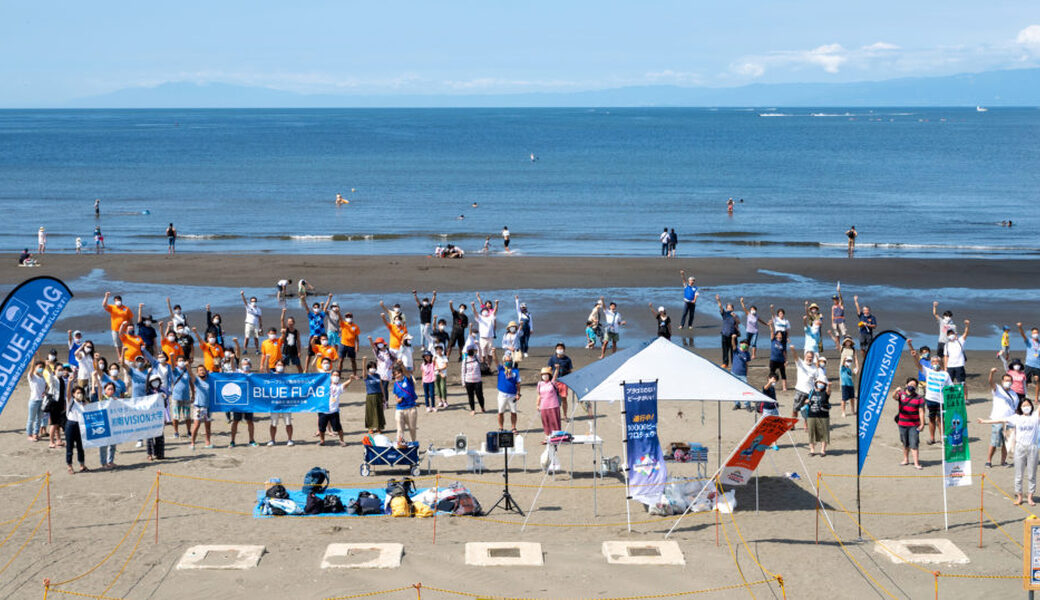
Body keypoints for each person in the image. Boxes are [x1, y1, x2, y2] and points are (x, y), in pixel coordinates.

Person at [978, 391, 1040, 505]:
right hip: (1020, 448)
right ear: (1020, 407)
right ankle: (1020, 496)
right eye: (1024, 406)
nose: (1026, 407)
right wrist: (985, 421)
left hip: (1033, 447)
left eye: (1028, 405)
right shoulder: (1016, 417)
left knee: (1032, 473)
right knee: (1019, 473)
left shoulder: (1036, 416)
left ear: (1032, 406)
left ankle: (1030, 496)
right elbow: (1001, 420)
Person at [986, 368, 1019, 468]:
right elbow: (990, 382)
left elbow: (1015, 409)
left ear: (1012, 382)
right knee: (994, 442)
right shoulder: (998, 389)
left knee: (1006, 443)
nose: (1007, 382)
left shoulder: (1015, 394)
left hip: (1010, 421)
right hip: (998, 419)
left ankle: (1003, 461)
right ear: (1002, 381)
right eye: (1006, 380)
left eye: (1009, 381)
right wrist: (991, 373)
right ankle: (988, 461)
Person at [893, 378, 926, 469]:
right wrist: (895, 391)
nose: (912, 386)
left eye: (914, 385)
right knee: (905, 443)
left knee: (914, 443)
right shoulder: (901, 394)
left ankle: (916, 463)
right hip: (902, 424)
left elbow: (921, 412)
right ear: (906, 384)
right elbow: (894, 397)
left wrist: (922, 424)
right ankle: (906, 459)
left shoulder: (919, 398)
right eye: (910, 384)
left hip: (914, 425)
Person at [794, 377, 831, 456]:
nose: (820, 384)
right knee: (811, 433)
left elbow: (828, 392)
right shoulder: (811, 391)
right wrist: (806, 401)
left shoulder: (825, 392)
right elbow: (806, 401)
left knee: (824, 433)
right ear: (816, 383)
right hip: (811, 415)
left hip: (823, 416)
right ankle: (812, 450)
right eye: (819, 382)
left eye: (822, 383)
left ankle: (823, 450)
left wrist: (829, 386)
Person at [321, 368, 353, 446]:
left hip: (334, 411)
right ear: (330, 376)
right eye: (334, 375)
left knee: (338, 428)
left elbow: (344, 385)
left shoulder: (339, 386)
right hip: (323, 410)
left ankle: (341, 440)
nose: (336, 377)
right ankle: (322, 440)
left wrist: (350, 380)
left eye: (337, 375)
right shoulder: (324, 385)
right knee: (321, 428)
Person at [492, 350, 521, 432]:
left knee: (513, 412)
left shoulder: (515, 371)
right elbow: (495, 360)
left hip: (512, 395)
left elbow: (518, 383)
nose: (508, 362)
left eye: (509, 361)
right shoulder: (501, 369)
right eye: (506, 361)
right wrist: (494, 352)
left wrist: (518, 393)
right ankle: (501, 427)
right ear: (504, 361)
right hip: (502, 394)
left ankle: (513, 427)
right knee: (501, 412)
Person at [391, 364, 419, 447]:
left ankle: (413, 445)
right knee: (400, 429)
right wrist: (397, 400)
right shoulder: (396, 384)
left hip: (410, 408)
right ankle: (400, 445)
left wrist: (402, 364)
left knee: (412, 429)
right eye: (395, 374)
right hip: (399, 409)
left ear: (402, 373)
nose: (397, 375)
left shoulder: (407, 379)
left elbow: (407, 373)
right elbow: (395, 395)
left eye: (399, 373)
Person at [189, 365, 214, 449]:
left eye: (203, 370)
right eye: (200, 370)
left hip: (208, 407)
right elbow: (191, 374)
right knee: (196, 425)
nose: (202, 371)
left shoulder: (210, 379)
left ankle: (208, 442)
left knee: (208, 426)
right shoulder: (197, 380)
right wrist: (188, 367)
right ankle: (192, 443)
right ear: (198, 372)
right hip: (198, 407)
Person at [65, 385, 89, 473]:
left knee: (80, 446)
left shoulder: (84, 403)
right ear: (74, 394)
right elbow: (68, 394)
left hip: (81, 425)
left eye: (81, 392)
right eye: (78, 393)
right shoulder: (71, 401)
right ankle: (69, 466)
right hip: (71, 424)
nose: (80, 394)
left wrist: (86, 402)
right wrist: (70, 382)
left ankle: (82, 465)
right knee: (70, 446)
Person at [102, 292, 133, 358]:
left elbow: (130, 319)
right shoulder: (112, 307)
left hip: (125, 330)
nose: (117, 302)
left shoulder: (126, 309)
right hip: (115, 330)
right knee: (118, 345)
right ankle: (120, 357)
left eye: (118, 300)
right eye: (116, 300)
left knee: (126, 343)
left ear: (121, 301)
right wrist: (106, 296)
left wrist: (131, 327)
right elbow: (104, 305)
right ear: (114, 301)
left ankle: (127, 356)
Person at [547, 342, 573, 418]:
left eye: (561, 348)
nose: (559, 350)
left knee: (564, 398)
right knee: (554, 399)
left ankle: (565, 415)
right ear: (555, 349)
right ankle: (556, 415)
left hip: (564, 382)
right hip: (554, 381)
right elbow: (549, 370)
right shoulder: (552, 359)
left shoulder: (567, 359)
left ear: (564, 350)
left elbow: (570, 371)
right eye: (558, 348)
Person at [26, 360, 49, 442]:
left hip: (41, 401)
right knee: (31, 419)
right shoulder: (32, 376)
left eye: (42, 367)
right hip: (34, 401)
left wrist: (45, 392)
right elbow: (31, 369)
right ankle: (29, 435)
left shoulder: (42, 377)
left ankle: (36, 434)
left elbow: (46, 386)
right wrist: (33, 359)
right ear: (35, 367)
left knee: (39, 418)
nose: (41, 368)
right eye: (39, 367)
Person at [536, 366, 562, 437]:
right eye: (543, 375)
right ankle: (547, 436)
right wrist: (537, 405)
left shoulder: (552, 382)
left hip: (553, 405)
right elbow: (539, 395)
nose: (544, 376)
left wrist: (557, 369)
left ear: (549, 375)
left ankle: (557, 436)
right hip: (543, 406)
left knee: (555, 422)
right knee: (545, 422)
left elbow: (555, 376)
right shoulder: (540, 384)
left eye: (546, 374)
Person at [474, 293, 499, 366]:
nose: (489, 305)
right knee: (483, 351)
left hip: (491, 328)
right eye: (487, 304)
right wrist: (478, 297)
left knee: (490, 351)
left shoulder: (491, 311)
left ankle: (489, 366)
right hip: (483, 333)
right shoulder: (482, 313)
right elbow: (480, 304)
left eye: (490, 304)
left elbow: (495, 311)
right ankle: (483, 365)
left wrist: (497, 304)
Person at [943, 320, 970, 385]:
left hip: (959, 365)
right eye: (949, 334)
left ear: (955, 334)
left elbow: (966, 333)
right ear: (947, 336)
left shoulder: (960, 341)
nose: (951, 335)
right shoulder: (946, 345)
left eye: (952, 333)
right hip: (950, 366)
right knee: (949, 383)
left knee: (962, 383)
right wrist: (945, 367)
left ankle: (964, 395)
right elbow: (946, 356)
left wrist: (967, 325)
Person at [363, 359, 386, 434]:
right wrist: (364, 362)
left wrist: (384, 396)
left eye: (374, 367)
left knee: (379, 411)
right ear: (368, 368)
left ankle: (379, 427)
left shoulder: (378, 375)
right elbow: (363, 372)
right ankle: (370, 427)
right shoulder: (367, 376)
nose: (373, 368)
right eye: (371, 367)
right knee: (370, 412)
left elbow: (381, 386)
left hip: (378, 395)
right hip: (370, 396)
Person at [461, 346, 486, 414]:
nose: (470, 351)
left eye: (471, 350)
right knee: (470, 396)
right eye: (469, 350)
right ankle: (473, 409)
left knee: (480, 395)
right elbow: (463, 372)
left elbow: (481, 353)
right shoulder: (465, 360)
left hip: (478, 380)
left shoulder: (477, 357)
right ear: (467, 352)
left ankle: (482, 407)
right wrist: (463, 382)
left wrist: (477, 345)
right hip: (468, 381)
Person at [715, 295, 738, 368]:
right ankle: (725, 363)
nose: (729, 309)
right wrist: (718, 300)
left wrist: (735, 317)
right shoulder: (724, 314)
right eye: (727, 308)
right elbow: (720, 307)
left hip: (733, 335)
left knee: (733, 350)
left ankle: (734, 363)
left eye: (730, 307)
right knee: (725, 350)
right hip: (725, 334)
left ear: (733, 309)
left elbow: (738, 323)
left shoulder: (735, 315)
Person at [1017, 323, 1040, 394]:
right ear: (1031, 334)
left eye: (1036, 333)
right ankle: (1024, 396)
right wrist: (1020, 327)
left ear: (1038, 333)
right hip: (1029, 364)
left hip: (1038, 366)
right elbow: (1023, 335)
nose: (1035, 334)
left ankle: (1036, 398)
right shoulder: (1029, 341)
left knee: (1038, 381)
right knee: (1025, 382)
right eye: (1033, 333)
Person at [240, 291, 263, 356]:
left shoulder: (259, 309)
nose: (253, 302)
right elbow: (244, 301)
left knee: (256, 337)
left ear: (256, 301)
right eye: (252, 301)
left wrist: (261, 326)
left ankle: (257, 350)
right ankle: (245, 350)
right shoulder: (248, 306)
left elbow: (260, 318)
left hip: (256, 324)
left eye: (255, 301)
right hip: (248, 324)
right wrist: (242, 295)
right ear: (250, 301)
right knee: (247, 337)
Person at [731, 340, 751, 410]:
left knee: (745, 389)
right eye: (743, 344)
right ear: (740, 344)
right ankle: (737, 404)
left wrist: (746, 373)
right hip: (734, 373)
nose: (745, 345)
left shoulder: (747, 354)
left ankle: (747, 404)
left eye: (746, 345)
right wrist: (733, 338)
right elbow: (733, 345)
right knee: (735, 389)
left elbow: (747, 364)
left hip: (743, 374)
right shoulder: (736, 350)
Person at [829, 285, 847, 350]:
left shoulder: (841, 305)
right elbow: (832, 315)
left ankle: (845, 344)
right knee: (837, 334)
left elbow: (841, 299)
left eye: (835, 299)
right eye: (834, 300)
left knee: (844, 333)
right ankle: (838, 345)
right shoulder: (833, 307)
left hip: (841, 320)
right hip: (835, 321)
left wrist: (839, 291)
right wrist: (832, 322)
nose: (834, 301)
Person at [433, 344, 449, 409]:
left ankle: (445, 401)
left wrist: (440, 370)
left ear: (442, 350)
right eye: (437, 350)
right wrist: (439, 371)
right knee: (437, 388)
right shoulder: (435, 357)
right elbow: (434, 364)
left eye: (439, 349)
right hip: (436, 374)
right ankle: (440, 401)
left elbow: (445, 366)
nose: (438, 351)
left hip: (443, 374)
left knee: (443, 388)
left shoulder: (444, 357)